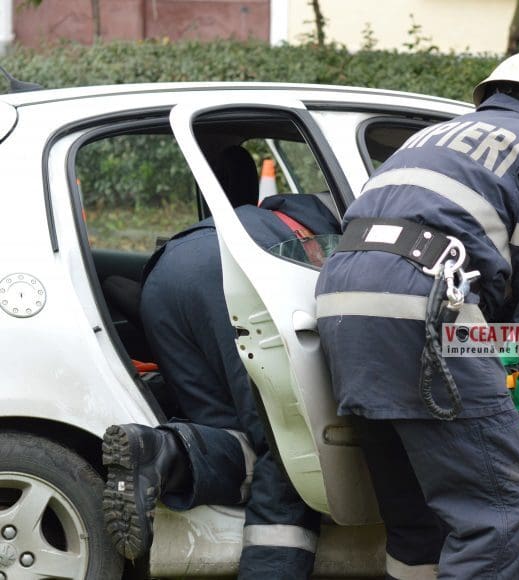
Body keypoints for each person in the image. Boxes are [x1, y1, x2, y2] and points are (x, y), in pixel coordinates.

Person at [314, 51, 519, 578]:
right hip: (420, 305)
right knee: (502, 507)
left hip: (341, 305)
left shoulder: (427, 138)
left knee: (413, 510)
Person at [102, 188, 341, 577]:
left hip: (163, 276)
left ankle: (162, 450)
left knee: (230, 434)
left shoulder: (259, 212)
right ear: (312, 237)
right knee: (288, 444)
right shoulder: (318, 230)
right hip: (234, 270)